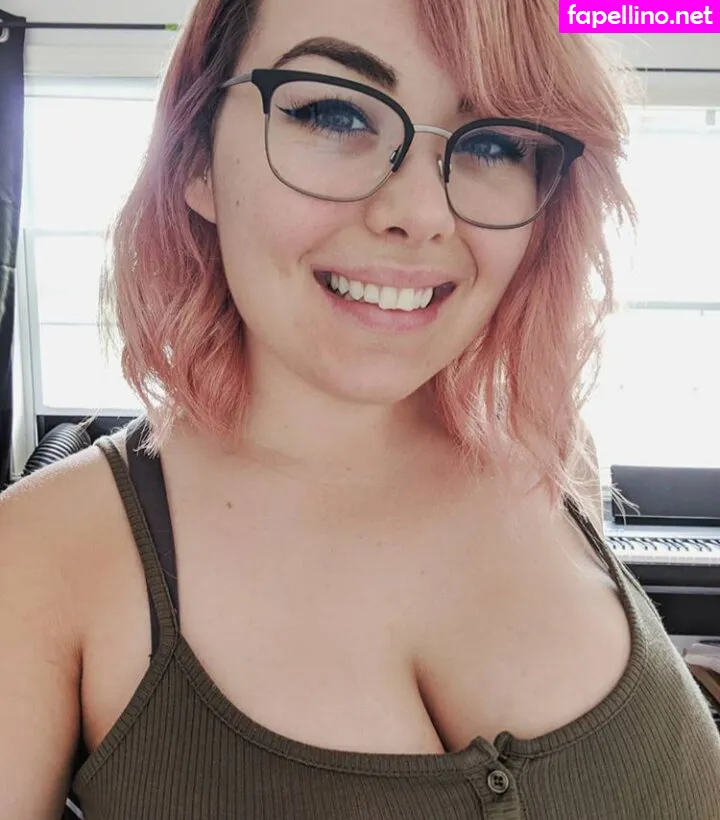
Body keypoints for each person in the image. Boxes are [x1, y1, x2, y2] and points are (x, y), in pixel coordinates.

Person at [1, 0, 719, 817]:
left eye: (493, 144)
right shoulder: (40, 558)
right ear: (196, 155)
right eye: (334, 114)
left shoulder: (548, 454)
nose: (420, 214)